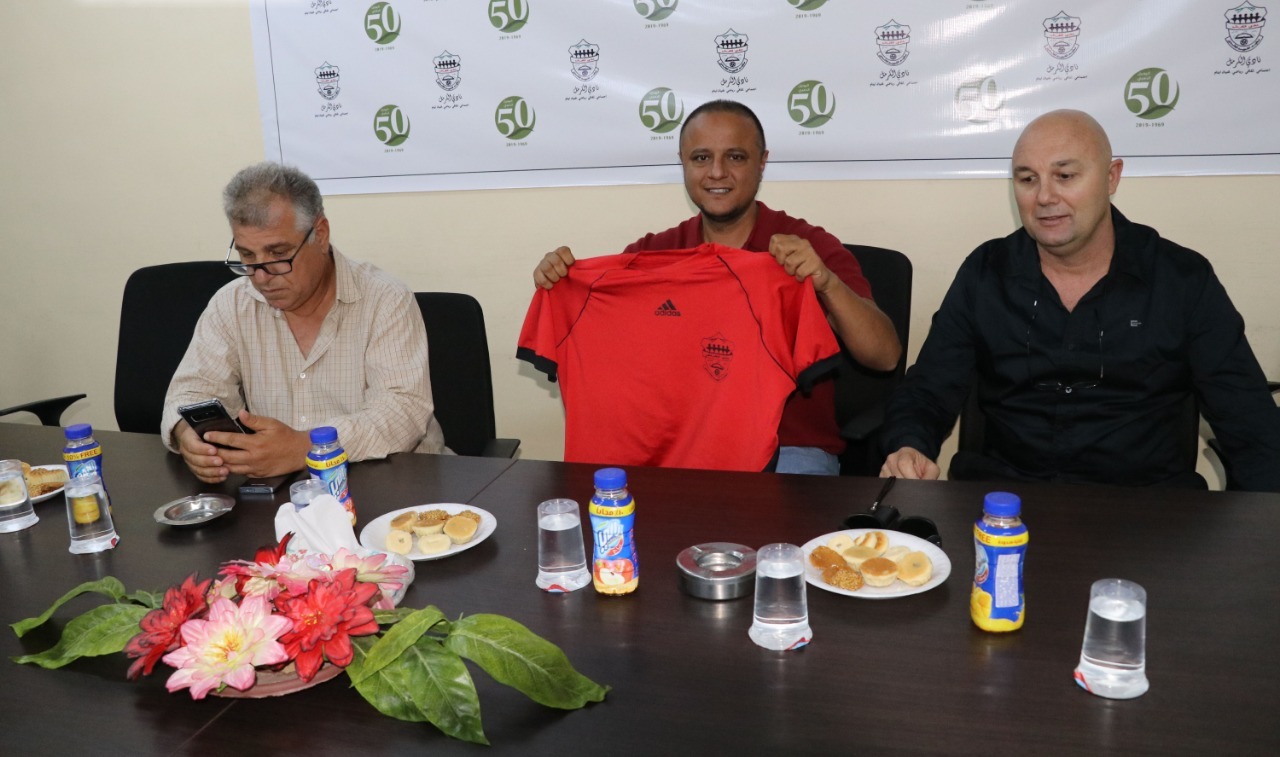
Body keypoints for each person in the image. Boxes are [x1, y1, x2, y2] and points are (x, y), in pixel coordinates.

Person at [880, 109, 1280, 491]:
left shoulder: (1181, 279)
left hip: (1147, 508)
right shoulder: (986, 272)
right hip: (1003, 503)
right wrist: (909, 445)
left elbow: (1249, 420)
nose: (1044, 197)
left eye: (1065, 176)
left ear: (1111, 177)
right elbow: (928, 389)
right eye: (1028, 179)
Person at [533, 100, 901, 475]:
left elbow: (885, 357)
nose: (717, 172)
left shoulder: (807, 248)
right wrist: (564, 284)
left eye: (736, 157)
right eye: (701, 158)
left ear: (762, 162)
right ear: (683, 162)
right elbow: (607, 359)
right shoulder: (651, 255)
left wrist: (826, 284)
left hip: (791, 450)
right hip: (678, 450)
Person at [161, 162, 445, 483]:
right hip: (282, 490)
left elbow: (403, 411)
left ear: (320, 235)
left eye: (277, 254)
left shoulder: (385, 299)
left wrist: (305, 447)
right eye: (248, 256)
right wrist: (187, 433)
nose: (261, 277)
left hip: (393, 482)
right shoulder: (232, 304)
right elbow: (191, 390)